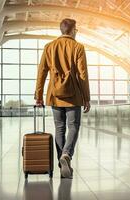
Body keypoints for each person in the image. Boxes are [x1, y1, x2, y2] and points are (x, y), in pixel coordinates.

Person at [34, 18, 90, 178]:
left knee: (60, 128)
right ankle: (66, 155)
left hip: (54, 94)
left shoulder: (49, 47)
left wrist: (38, 95)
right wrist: (86, 97)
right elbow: (82, 74)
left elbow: (42, 73)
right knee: (73, 127)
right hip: (74, 96)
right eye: (76, 30)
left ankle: (63, 163)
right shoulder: (78, 47)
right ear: (72, 30)